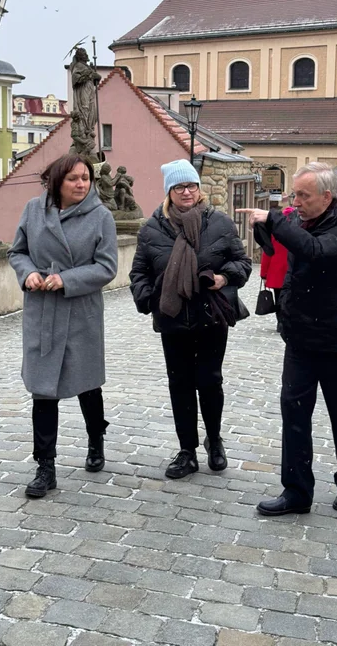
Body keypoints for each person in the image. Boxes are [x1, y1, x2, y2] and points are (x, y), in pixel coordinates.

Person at [237, 163, 337, 515]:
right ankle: (296, 491)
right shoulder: (298, 218)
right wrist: (263, 229)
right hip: (301, 336)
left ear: (327, 196)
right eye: (294, 195)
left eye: (302, 196)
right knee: (294, 413)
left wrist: (276, 220)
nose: (295, 203)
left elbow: (317, 252)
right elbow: (278, 249)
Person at [129, 159, 252, 479]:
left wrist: (224, 279)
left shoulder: (220, 223)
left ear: (199, 190)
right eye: (180, 187)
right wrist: (149, 299)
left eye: (192, 186)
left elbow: (242, 263)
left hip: (210, 315)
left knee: (210, 381)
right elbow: (138, 272)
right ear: (170, 191)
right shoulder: (152, 228)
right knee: (180, 384)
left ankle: (215, 441)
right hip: (172, 318)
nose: (187, 192)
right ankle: (187, 451)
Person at [8, 154, 118, 498]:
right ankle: (45, 467)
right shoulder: (33, 210)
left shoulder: (101, 217)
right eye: (73, 178)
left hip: (81, 312)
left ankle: (95, 440)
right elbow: (17, 252)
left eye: (85, 178)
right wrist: (30, 275)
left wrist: (66, 279)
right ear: (57, 181)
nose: (81, 184)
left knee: (87, 385)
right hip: (43, 312)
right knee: (43, 391)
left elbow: (107, 267)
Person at [260, 194, 294, 331]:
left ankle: (280, 322)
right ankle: (288, 321)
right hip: (292, 270)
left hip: (277, 270)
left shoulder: (275, 231)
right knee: (291, 297)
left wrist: (264, 273)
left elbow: (267, 253)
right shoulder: (299, 231)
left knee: (279, 296)